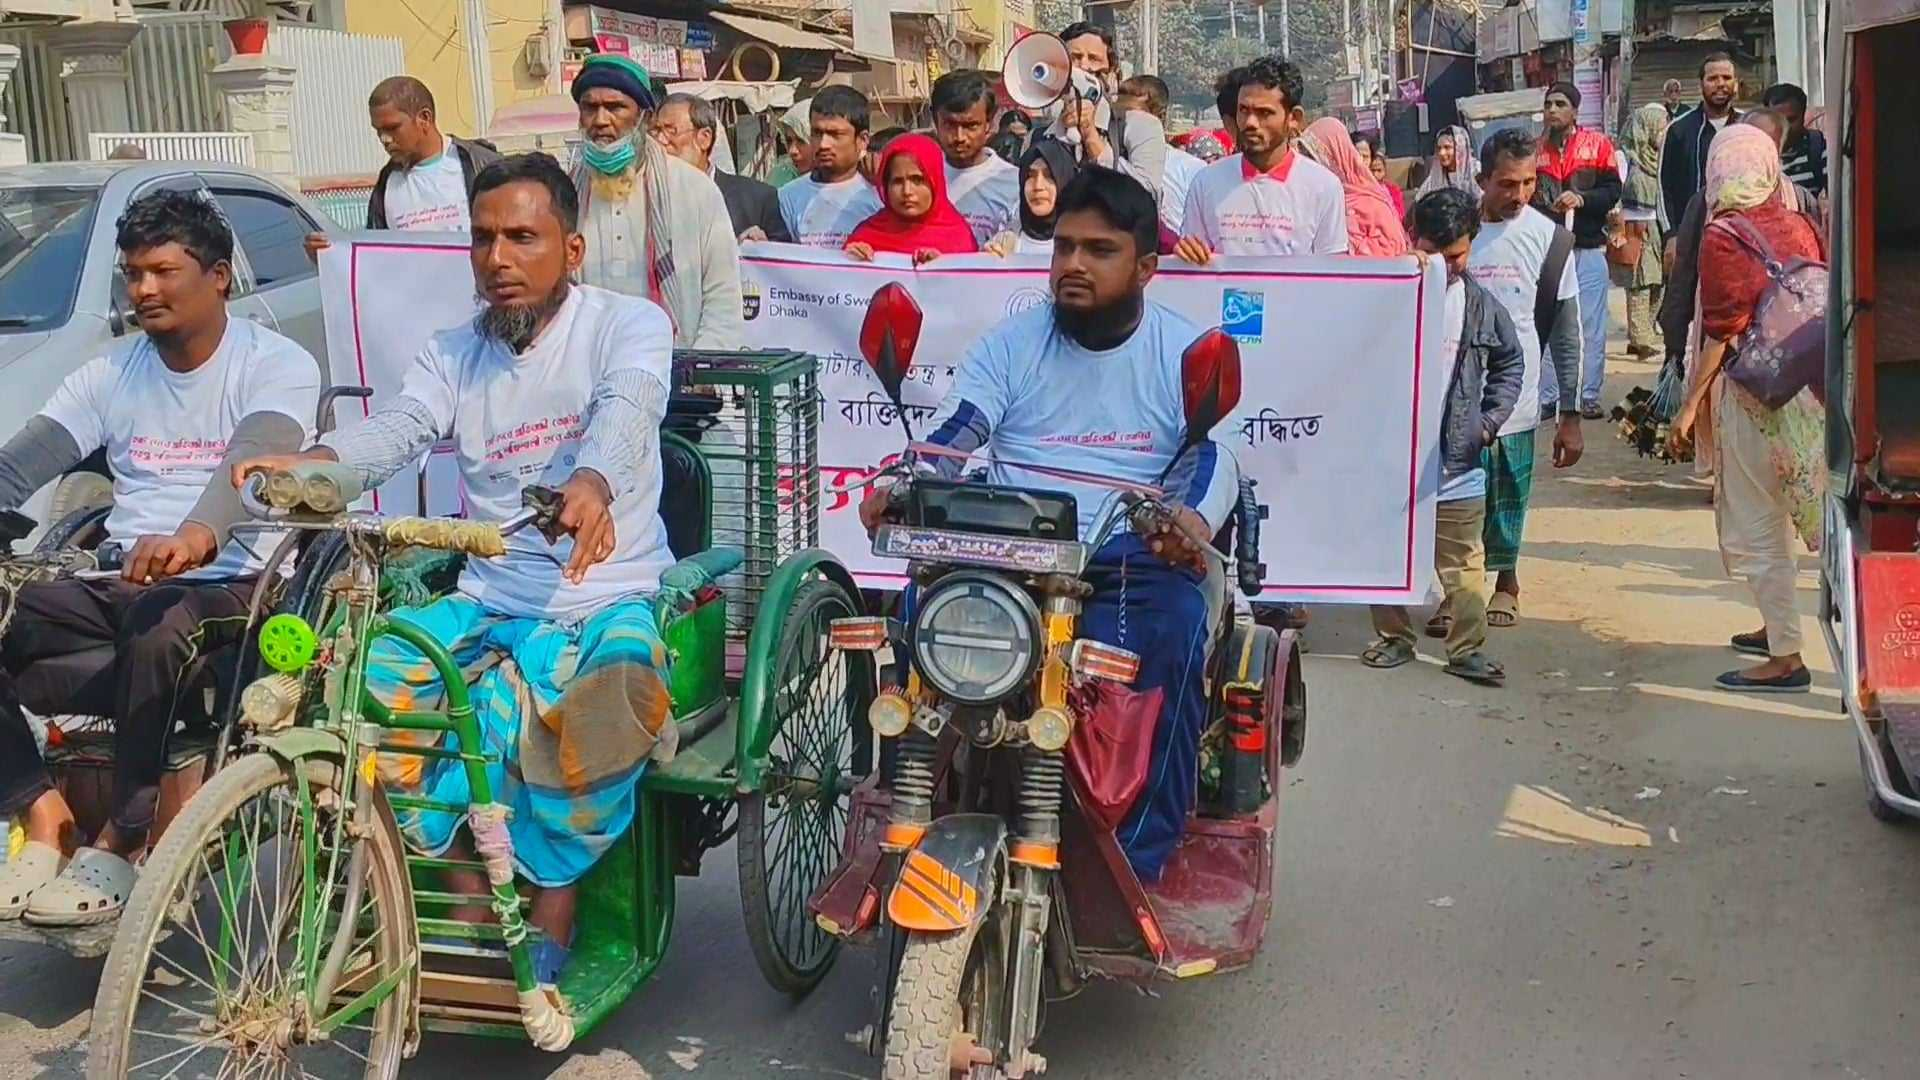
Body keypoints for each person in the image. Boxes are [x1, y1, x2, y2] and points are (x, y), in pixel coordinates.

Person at [235, 153, 679, 988]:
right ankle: (472, 884)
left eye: (522, 237)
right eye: (482, 240)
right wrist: (318, 466)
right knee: (359, 681)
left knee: (610, 695)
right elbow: (402, 428)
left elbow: (628, 404)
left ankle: (553, 895)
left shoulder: (628, 324)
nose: (499, 260)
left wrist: (592, 481)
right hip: (486, 595)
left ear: (571, 251)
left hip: (604, 596)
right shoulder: (452, 351)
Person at [862, 165, 1240, 880]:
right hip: (1011, 551)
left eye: (1099, 251)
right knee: (918, 616)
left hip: (1125, 554)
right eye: (1064, 247)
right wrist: (905, 482)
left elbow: (1208, 455)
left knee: (1175, 636)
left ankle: (1139, 858)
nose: (1072, 265)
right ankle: (915, 799)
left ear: (1146, 268)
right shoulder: (1012, 343)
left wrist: (1185, 522)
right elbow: (959, 431)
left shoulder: (1181, 350)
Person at [0, 190, 320, 923]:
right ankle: (42, 813)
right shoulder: (112, 372)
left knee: (158, 620)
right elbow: (24, 462)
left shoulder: (275, 364)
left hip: (235, 586)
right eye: (133, 274)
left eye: (162, 271)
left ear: (218, 278)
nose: (143, 289)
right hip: (118, 577)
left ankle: (126, 832)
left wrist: (195, 536)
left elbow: (253, 465)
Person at [1667, 125, 1823, 693]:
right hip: (1809, 390)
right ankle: (1779, 627)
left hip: (1756, 395)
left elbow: (1722, 333)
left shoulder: (1722, 235)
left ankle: (1786, 657)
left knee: (1758, 522)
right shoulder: (1802, 222)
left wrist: (1689, 409)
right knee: (1796, 514)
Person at [1363, 188, 1524, 686]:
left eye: (1456, 255)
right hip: (1391, 460)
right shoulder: (1386, 297)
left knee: (1465, 564)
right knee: (1385, 555)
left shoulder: (1481, 306)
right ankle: (1393, 638)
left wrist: (1487, 424)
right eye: (1435, 254)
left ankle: (1466, 650)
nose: (1447, 266)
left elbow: (1510, 365)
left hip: (1457, 462)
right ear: (1415, 241)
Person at [1462, 129, 1584, 630]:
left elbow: (1567, 332)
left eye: (1529, 183)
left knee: (1507, 493)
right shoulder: (1455, 231)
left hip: (1518, 394)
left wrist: (1570, 416)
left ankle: (1506, 582)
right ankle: (1458, 590)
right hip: (1453, 395)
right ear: (1481, 179)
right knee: (1458, 497)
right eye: (1508, 184)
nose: (1520, 195)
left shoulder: (1551, 240)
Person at [570, 54, 742, 350]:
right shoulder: (566, 193)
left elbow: (722, 295)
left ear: (645, 118)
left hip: (675, 368)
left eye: (615, 107)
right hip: (589, 366)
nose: (601, 120)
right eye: (590, 107)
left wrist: (700, 370)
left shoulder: (694, 189)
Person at [1658, 110, 1817, 394]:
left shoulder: (1800, 203)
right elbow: (1683, 280)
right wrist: (1674, 349)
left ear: (1775, 151)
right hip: (1733, 360)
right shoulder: (1705, 205)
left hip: (1787, 354)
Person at [305, 75, 500, 258]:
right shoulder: (386, 185)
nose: (385, 139)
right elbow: (376, 263)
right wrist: (331, 257)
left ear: (424, 118)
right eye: (378, 131)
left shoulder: (479, 165)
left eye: (392, 128)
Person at [1177, 56, 1348, 262]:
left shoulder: (1323, 187)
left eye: (1264, 113)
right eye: (1243, 110)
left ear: (1294, 118)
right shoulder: (1205, 183)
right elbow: (1192, 262)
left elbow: (1332, 274)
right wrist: (1186, 253)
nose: (1250, 123)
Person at [1534, 80, 1622, 420]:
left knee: (1590, 325)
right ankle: (1548, 397)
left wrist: (1582, 199)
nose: (1552, 110)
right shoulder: (1534, 150)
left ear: (1574, 110)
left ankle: (1588, 395)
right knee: (1546, 322)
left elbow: (1613, 190)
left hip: (1587, 248)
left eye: (1559, 104)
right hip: (1549, 252)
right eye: (1548, 104)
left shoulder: (1598, 146)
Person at [653, 92, 790, 243]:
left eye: (671, 131)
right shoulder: (644, 198)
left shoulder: (759, 199)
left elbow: (783, 261)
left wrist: (761, 249)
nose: (660, 140)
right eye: (655, 131)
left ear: (704, 138)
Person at [1054, 21, 1169, 197]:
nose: (1084, 66)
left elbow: (1147, 194)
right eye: (1075, 57)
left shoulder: (1141, 125)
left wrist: (1092, 139)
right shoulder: (1041, 136)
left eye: (1093, 58)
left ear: (1111, 71)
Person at [844, 133, 979, 264]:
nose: (907, 191)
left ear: (935, 182)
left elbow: (970, 282)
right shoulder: (868, 234)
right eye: (897, 181)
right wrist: (851, 258)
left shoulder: (958, 237)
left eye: (918, 180)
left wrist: (942, 267)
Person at [779, 86, 883, 249]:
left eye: (835, 135)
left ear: (862, 140)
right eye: (816, 133)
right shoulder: (788, 197)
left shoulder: (881, 197)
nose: (823, 144)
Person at [930, 70, 1020, 246]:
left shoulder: (1014, 183)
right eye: (950, 124)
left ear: (989, 123)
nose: (959, 137)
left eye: (970, 126)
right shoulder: (918, 177)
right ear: (935, 120)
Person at [1296, 117, 1407, 257]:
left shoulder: (1371, 204)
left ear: (1333, 158)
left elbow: (1389, 254)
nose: (1307, 165)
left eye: (1312, 157)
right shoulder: (1315, 198)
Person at [1660, 53, 1742, 239]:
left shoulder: (1747, 126)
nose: (1720, 83)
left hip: (1741, 236)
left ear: (1735, 84)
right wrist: (1671, 235)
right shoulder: (1678, 129)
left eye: (1727, 78)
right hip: (1692, 237)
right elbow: (1664, 186)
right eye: (1713, 78)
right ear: (1701, 84)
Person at [1118, 74, 1206, 237]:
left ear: (1160, 117)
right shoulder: (1103, 157)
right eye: (1118, 115)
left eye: (1133, 115)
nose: (1124, 122)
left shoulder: (1191, 170)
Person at [1617, 102, 1669, 360]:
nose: (1664, 134)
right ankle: (1640, 338)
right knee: (1642, 283)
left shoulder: (1661, 162)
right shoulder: (1630, 164)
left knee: (1659, 283)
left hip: (1659, 229)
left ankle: (1645, 331)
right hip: (1638, 230)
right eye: (1659, 129)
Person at [986, 138, 1079, 256]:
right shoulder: (1004, 244)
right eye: (1030, 176)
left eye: (1049, 176)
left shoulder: (1083, 244)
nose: (1038, 186)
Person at [1762, 82, 1827, 199]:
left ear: (1803, 116)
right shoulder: (1757, 155)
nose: (1785, 127)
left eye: (1791, 120)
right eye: (1778, 120)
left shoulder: (1818, 148)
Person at [1413, 125, 1479, 208]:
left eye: (1447, 147)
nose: (1441, 153)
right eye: (1439, 148)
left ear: (1459, 149)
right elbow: (1418, 201)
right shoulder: (1435, 178)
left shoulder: (1475, 171)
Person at [767, 98, 811, 188]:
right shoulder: (781, 177)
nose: (792, 150)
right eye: (789, 141)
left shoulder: (842, 184)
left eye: (801, 141)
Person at [1367, 137, 1407, 220]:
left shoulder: (1393, 190)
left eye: (1379, 170)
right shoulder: (1363, 191)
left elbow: (1400, 214)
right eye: (1372, 170)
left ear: (1385, 171)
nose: (1375, 174)